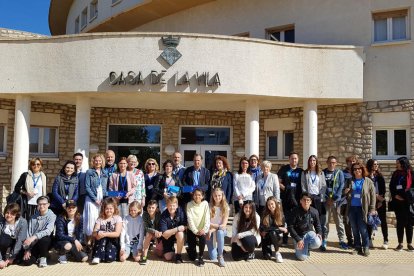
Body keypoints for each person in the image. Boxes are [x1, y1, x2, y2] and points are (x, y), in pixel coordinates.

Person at [344, 161, 376, 256]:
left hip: (363, 208)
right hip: (352, 208)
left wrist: (372, 208)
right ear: (352, 171)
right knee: (354, 228)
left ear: (362, 170)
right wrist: (346, 191)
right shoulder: (350, 181)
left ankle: (365, 247)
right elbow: (345, 193)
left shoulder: (368, 181)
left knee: (363, 229)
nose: (357, 170)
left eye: (359, 169)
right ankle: (357, 247)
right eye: (355, 169)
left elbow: (373, 195)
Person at [22, 196, 56, 267]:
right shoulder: (33, 217)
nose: (41, 206)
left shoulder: (52, 216)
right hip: (34, 243)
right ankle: (41, 255)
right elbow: (29, 233)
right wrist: (27, 249)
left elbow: (48, 231)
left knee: (44, 239)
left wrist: (34, 236)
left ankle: (43, 257)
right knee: (26, 262)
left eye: (44, 204)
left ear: (48, 205)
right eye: (39, 204)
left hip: (46, 241)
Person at [301, 155, 327, 251]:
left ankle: (322, 240)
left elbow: (324, 186)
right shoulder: (305, 173)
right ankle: (310, 241)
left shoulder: (321, 173)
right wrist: (307, 196)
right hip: (309, 198)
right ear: (309, 162)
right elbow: (303, 185)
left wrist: (321, 196)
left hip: (318, 199)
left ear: (316, 162)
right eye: (311, 160)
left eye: (314, 160)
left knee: (320, 220)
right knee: (308, 220)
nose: (312, 162)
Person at [277, 152, 303, 246]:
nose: (294, 160)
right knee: (286, 219)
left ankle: (296, 239)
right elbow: (278, 182)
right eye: (292, 158)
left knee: (296, 219)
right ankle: (284, 240)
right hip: (286, 198)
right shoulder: (284, 169)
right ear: (289, 159)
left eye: (295, 158)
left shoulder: (301, 171)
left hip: (297, 199)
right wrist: (287, 189)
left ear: (298, 159)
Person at [83, 154, 108, 250]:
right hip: (91, 199)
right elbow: (87, 187)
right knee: (90, 221)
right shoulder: (89, 172)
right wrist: (95, 199)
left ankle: (96, 242)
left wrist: (104, 200)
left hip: (102, 200)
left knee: (99, 220)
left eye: (99, 161)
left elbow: (105, 188)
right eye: (96, 161)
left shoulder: (105, 173)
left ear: (102, 162)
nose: (98, 162)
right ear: (93, 162)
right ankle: (89, 243)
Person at [288, 192, 322, 261]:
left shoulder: (314, 212)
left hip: (309, 234)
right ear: (300, 201)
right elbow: (290, 227)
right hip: (298, 235)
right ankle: (301, 247)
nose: (306, 202)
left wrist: (319, 233)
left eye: (308, 200)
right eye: (304, 200)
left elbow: (317, 225)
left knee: (318, 242)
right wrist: (298, 239)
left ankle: (306, 248)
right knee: (302, 258)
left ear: (311, 202)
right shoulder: (295, 211)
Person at [389, 157, 414, 252]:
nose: (396, 164)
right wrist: (395, 195)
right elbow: (391, 186)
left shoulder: (411, 173)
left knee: (409, 223)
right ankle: (400, 243)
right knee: (400, 223)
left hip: (408, 202)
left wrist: (409, 197)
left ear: (403, 163)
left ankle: (409, 244)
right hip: (398, 202)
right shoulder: (395, 174)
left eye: (398, 162)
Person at [323, 156, 347, 250]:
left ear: (336, 163)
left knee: (339, 221)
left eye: (333, 162)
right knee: (325, 222)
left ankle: (341, 240)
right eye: (330, 162)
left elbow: (341, 186)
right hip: (326, 201)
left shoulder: (339, 173)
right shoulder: (323, 172)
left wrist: (334, 199)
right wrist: (327, 198)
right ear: (327, 162)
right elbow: (321, 186)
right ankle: (324, 240)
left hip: (336, 202)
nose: (331, 164)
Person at [54, 200, 88, 264]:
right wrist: (74, 240)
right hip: (62, 242)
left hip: (74, 242)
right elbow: (60, 235)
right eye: (69, 207)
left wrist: (80, 243)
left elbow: (81, 232)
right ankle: (62, 254)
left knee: (84, 258)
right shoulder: (60, 218)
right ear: (66, 208)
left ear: (76, 208)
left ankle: (70, 254)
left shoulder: (80, 217)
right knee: (68, 245)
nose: (71, 209)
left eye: (73, 207)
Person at [91, 197, 123, 264]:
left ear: (114, 209)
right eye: (107, 209)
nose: (109, 210)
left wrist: (105, 234)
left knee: (109, 259)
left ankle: (103, 256)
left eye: (111, 208)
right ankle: (97, 256)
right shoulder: (100, 219)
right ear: (104, 209)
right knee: (102, 235)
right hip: (100, 242)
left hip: (113, 241)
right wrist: (98, 233)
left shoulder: (118, 218)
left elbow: (117, 234)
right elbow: (94, 233)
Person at [366, 159, 388, 249]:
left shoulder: (380, 176)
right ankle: (369, 240)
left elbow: (383, 190)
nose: (376, 165)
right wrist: (374, 196)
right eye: (374, 164)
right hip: (370, 203)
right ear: (370, 165)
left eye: (377, 164)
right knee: (370, 221)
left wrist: (380, 201)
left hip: (380, 202)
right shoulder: (366, 176)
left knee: (383, 221)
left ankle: (386, 240)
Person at [159, 196, 187, 263]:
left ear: (177, 205)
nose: (172, 208)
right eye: (170, 206)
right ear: (167, 205)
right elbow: (165, 234)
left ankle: (178, 255)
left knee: (180, 234)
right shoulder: (163, 215)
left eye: (173, 205)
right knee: (168, 257)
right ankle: (170, 249)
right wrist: (176, 229)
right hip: (168, 237)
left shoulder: (181, 211)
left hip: (177, 234)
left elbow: (185, 226)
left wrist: (174, 231)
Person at [186, 188, 210, 267]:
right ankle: (190, 249)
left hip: (202, 230)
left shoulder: (205, 204)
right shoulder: (189, 204)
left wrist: (204, 229)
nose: (197, 196)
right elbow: (190, 220)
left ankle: (201, 256)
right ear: (193, 195)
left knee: (202, 237)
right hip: (192, 230)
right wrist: (196, 231)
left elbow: (207, 218)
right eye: (195, 194)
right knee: (192, 257)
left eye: (199, 195)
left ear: (202, 196)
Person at [206, 187, 229, 267]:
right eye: (215, 195)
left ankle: (220, 256)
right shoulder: (208, 206)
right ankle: (219, 249)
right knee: (212, 257)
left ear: (222, 196)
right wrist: (211, 229)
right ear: (212, 196)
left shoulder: (225, 207)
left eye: (219, 195)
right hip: (210, 231)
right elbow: (206, 223)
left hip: (220, 231)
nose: (217, 197)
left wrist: (212, 229)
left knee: (219, 232)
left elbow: (223, 226)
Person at [260, 196, 287, 263]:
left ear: (275, 204)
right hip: (266, 238)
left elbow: (284, 230)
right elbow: (263, 228)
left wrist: (274, 229)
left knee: (273, 232)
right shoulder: (264, 214)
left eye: (272, 204)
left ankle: (277, 252)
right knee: (267, 257)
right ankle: (269, 250)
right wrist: (278, 228)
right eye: (268, 204)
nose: (270, 206)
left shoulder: (281, 215)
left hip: (276, 237)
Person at [0, 203, 27, 268]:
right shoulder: (1, 221)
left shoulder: (23, 222)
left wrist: (12, 257)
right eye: (7, 212)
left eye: (12, 213)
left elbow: (20, 240)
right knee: (4, 238)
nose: (9, 215)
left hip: (18, 246)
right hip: (5, 245)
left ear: (16, 215)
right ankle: (3, 258)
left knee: (24, 260)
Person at [342, 155, 358, 248]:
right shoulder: (342, 173)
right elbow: (340, 186)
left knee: (357, 221)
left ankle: (357, 240)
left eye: (353, 161)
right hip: (346, 201)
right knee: (347, 221)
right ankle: (350, 240)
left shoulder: (358, 172)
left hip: (357, 201)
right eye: (349, 161)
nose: (351, 163)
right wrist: (344, 191)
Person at [141, 199, 162, 265]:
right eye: (149, 207)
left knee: (160, 254)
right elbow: (146, 228)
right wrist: (154, 231)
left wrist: (159, 232)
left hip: (158, 234)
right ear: (147, 208)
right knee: (148, 234)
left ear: (156, 208)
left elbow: (162, 225)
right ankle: (144, 256)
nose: (151, 209)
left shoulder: (159, 214)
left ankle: (154, 247)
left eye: (153, 208)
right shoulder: (144, 215)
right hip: (149, 233)